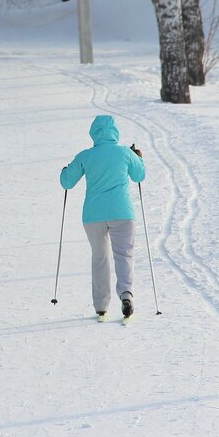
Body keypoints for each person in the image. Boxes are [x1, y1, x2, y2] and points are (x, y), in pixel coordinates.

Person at [59, 115, 146, 320]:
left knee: (100, 258)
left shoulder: (86, 156)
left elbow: (66, 182)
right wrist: (139, 158)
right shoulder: (125, 152)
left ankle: (101, 307)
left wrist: (64, 171)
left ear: (93, 133)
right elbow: (139, 175)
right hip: (123, 214)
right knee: (123, 255)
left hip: (93, 216)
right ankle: (126, 294)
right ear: (115, 132)